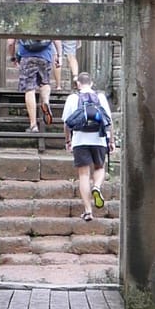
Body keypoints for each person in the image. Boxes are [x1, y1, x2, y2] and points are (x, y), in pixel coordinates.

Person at [63, 72, 114, 217]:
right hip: (99, 138)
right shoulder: (100, 97)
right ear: (91, 83)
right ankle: (97, 187)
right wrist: (111, 141)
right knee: (99, 167)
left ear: (78, 84)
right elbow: (108, 121)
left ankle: (88, 211)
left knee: (84, 175)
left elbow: (67, 123)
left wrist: (68, 141)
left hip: (80, 140)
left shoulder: (73, 98)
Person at [11, 32, 59, 136]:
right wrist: (58, 54)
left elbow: (10, 42)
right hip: (45, 56)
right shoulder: (47, 21)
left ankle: (33, 125)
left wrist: (13, 56)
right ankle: (45, 101)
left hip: (26, 56)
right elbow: (57, 39)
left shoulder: (20, 21)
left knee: (29, 89)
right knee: (45, 82)